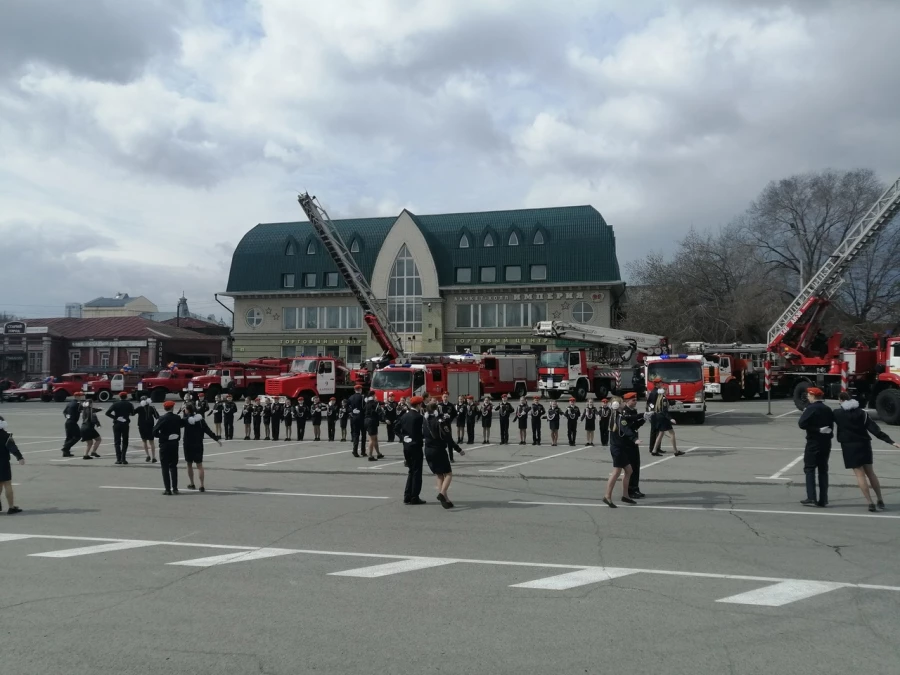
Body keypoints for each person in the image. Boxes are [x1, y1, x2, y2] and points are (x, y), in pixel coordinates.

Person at [833, 392, 897, 512]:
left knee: (860, 475)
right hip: (864, 444)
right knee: (871, 473)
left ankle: (870, 502)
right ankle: (880, 499)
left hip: (849, 446)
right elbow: (874, 429)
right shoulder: (862, 413)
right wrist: (891, 441)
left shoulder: (837, 413)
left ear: (841, 400)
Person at [797, 387, 834, 508]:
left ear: (813, 396)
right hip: (826, 442)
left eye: (809, 395)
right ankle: (823, 499)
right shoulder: (828, 409)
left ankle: (811, 497)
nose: (807, 397)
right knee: (823, 470)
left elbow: (802, 424)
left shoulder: (811, 408)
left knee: (810, 469)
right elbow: (831, 426)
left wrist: (816, 429)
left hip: (813, 442)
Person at [603, 395, 639, 507]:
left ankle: (625, 495)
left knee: (629, 470)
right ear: (617, 405)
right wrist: (635, 439)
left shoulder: (615, 416)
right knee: (616, 472)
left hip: (619, 447)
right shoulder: (619, 417)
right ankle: (607, 496)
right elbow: (625, 429)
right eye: (621, 402)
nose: (624, 403)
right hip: (617, 448)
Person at [423, 402, 457, 508]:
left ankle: (445, 500)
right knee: (448, 474)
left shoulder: (424, 420)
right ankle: (442, 494)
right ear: (436, 410)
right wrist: (458, 449)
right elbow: (448, 437)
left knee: (439, 475)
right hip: (439, 450)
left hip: (428, 450)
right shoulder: (440, 421)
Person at [182, 404, 222, 492]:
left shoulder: (185, 420)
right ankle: (202, 485)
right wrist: (216, 439)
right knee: (199, 465)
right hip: (198, 444)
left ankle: (192, 483)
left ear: (188, 410)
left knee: (189, 464)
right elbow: (207, 430)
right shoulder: (200, 420)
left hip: (188, 444)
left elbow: (178, 425)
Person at [152, 400, 184, 495]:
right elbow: (182, 424)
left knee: (165, 467)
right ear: (172, 408)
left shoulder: (162, 418)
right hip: (174, 444)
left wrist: (165, 437)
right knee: (173, 466)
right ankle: (175, 488)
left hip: (165, 444)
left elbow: (154, 432)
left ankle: (167, 489)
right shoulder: (177, 417)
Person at [399, 396, 426, 505]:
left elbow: (396, 428)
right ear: (419, 405)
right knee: (417, 472)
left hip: (407, 447)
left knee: (411, 471)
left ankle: (407, 495)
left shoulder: (404, 416)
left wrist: (403, 438)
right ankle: (414, 496)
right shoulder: (419, 417)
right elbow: (422, 432)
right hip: (416, 446)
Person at [622, 392, 647, 499]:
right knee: (630, 467)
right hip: (627, 443)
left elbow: (635, 425)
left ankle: (635, 488)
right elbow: (627, 426)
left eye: (636, 400)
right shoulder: (624, 412)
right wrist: (641, 416)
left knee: (636, 465)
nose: (635, 402)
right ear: (627, 401)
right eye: (633, 400)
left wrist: (643, 419)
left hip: (634, 442)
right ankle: (629, 490)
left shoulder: (633, 411)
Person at [0, 416, 24, 514]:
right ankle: (11, 507)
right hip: (3, 462)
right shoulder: (6, 436)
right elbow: (12, 448)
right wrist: (20, 457)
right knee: (7, 483)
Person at [105, 391, 136, 465]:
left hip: (117, 423)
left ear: (119, 397)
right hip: (125, 423)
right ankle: (123, 458)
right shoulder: (129, 404)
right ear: (126, 397)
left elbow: (107, 413)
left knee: (117, 441)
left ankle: (118, 459)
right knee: (125, 441)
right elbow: (133, 413)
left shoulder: (115, 404)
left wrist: (116, 418)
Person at [649, 388, 681, 457]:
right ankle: (675, 451)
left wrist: (675, 402)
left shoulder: (658, 399)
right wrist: (671, 418)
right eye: (666, 391)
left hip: (659, 417)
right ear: (664, 392)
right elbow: (665, 410)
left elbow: (665, 405)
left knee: (661, 433)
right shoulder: (664, 399)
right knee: (672, 433)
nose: (667, 392)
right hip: (663, 418)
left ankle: (654, 450)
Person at [136, 396, 160, 462]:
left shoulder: (139, 408)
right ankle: (153, 457)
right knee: (151, 441)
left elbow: (132, 413)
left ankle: (147, 455)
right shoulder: (152, 408)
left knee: (144, 441)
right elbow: (157, 416)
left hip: (142, 426)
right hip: (150, 426)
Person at [60, 391, 84, 457]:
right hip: (73, 422)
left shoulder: (69, 403)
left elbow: (64, 412)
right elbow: (85, 409)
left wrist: (68, 416)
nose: (81, 397)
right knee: (78, 436)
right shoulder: (78, 404)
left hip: (68, 422)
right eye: (80, 396)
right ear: (76, 396)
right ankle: (65, 448)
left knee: (69, 437)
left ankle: (66, 452)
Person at [646, 377, 664, 454]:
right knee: (654, 431)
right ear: (656, 384)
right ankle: (652, 448)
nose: (661, 383)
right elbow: (650, 402)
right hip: (655, 413)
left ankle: (657, 447)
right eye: (660, 382)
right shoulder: (654, 392)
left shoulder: (657, 391)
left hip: (657, 413)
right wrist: (653, 410)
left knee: (658, 431)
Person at [347, 385, 365, 455]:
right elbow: (364, 407)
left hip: (354, 418)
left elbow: (347, 407)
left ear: (355, 390)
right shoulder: (362, 397)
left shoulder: (351, 397)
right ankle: (363, 451)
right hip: (362, 417)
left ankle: (355, 450)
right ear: (360, 389)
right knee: (363, 435)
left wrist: (352, 411)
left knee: (355, 434)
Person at [364, 393, 382, 460]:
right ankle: (370, 455)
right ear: (373, 396)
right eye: (375, 396)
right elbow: (378, 411)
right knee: (372, 439)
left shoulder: (367, 403)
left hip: (367, 421)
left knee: (374, 438)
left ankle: (378, 453)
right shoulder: (374, 403)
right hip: (372, 421)